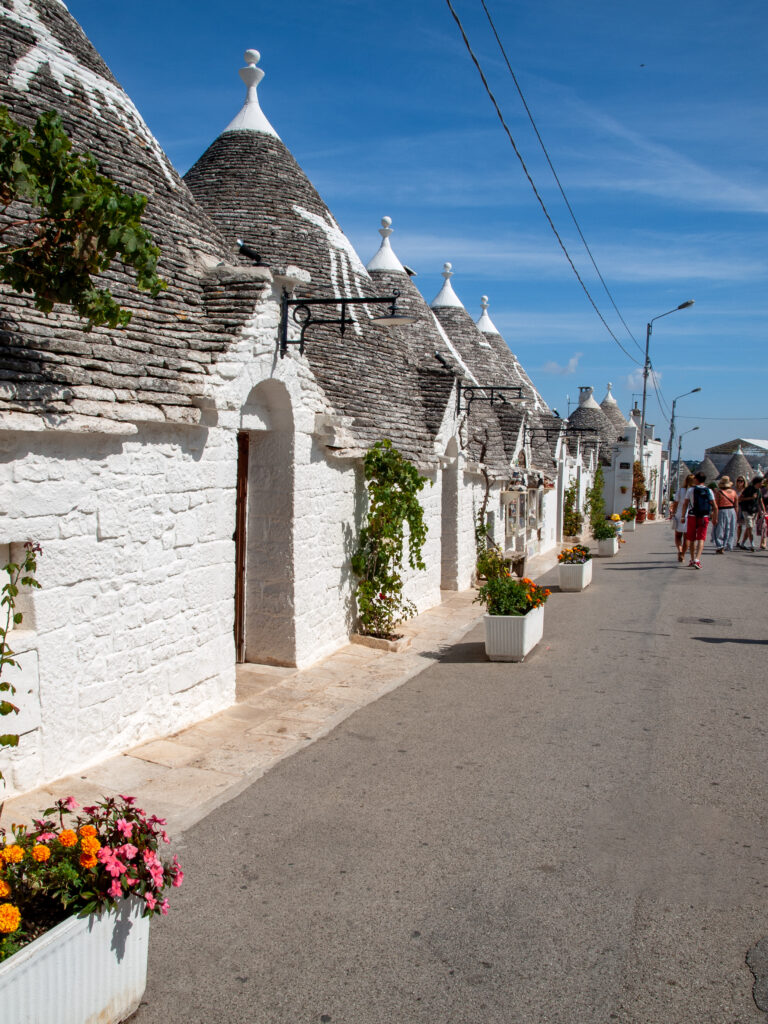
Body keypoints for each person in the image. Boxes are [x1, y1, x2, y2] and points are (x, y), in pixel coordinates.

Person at [682, 471, 718, 569]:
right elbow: (715, 506)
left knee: (692, 538)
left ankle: (692, 559)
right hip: (704, 516)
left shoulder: (691, 490)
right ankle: (697, 559)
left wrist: (682, 516)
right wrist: (715, 518)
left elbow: (685, 503)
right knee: (701, 538)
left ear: (697, 479)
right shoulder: (709, 490)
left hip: (692, 515)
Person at [671, 472, 695, 563]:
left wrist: (673, 513)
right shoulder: (694, 491)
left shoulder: (681, 490)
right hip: (690, 515)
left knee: (677, 536)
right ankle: (683, 554)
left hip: (679, 514)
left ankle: (680, 550)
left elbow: (675, 503)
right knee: (686, 537)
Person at [737, 476, 765, 551]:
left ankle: (743, 543)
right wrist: (751, 498)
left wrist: (763, 510)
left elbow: (760, 500)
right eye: (761, 482)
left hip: (754, 511)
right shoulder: (748, 489)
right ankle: (752, 544)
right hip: (746, 510)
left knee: (750, 527)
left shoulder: (758, 490)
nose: (762, 483)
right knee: (749, 527)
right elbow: (740, 499)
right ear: (758, 482)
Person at [712, 475, 738, 553]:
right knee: (730, 529)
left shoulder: (719, 493)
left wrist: (714, 516)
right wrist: (736, 514)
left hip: (722, 511)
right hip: (732, 510)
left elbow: (716, 505)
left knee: (719, 529)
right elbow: (736, 504)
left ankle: (720, 545)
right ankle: (728, 544)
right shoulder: (733, 492)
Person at [735, 475, 747, 547]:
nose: (740, 482)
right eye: (738, 480)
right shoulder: (734, 489)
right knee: (736, 525)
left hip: (743, 508)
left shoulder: (746, 490)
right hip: (736, 508)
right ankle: (737, 540)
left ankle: (739, 541)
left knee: (742, 525)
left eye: (741, 481)